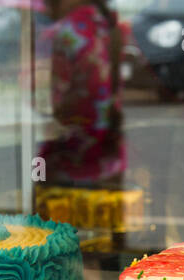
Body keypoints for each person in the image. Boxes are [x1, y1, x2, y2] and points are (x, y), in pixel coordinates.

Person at [38, 0, 126, 188]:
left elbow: (46, 105)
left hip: (67, 168)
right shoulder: (106, 27)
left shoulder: (61, 34)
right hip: (108, 164)